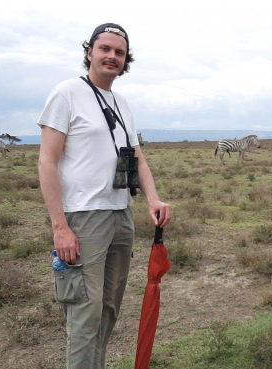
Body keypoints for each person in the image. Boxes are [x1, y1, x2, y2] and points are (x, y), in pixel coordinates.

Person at [37, 23, 172, 369]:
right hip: (84, 217)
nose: (112, 56)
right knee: (84, 311)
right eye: (105, 49)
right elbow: (47, 161)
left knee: (109, 308)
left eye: (119, 52)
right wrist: (60, 227)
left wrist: (152, 198)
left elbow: (136, 157)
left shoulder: (120, 101)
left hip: (120, 214)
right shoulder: (66, 93)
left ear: (126, 61)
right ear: (89, 53)